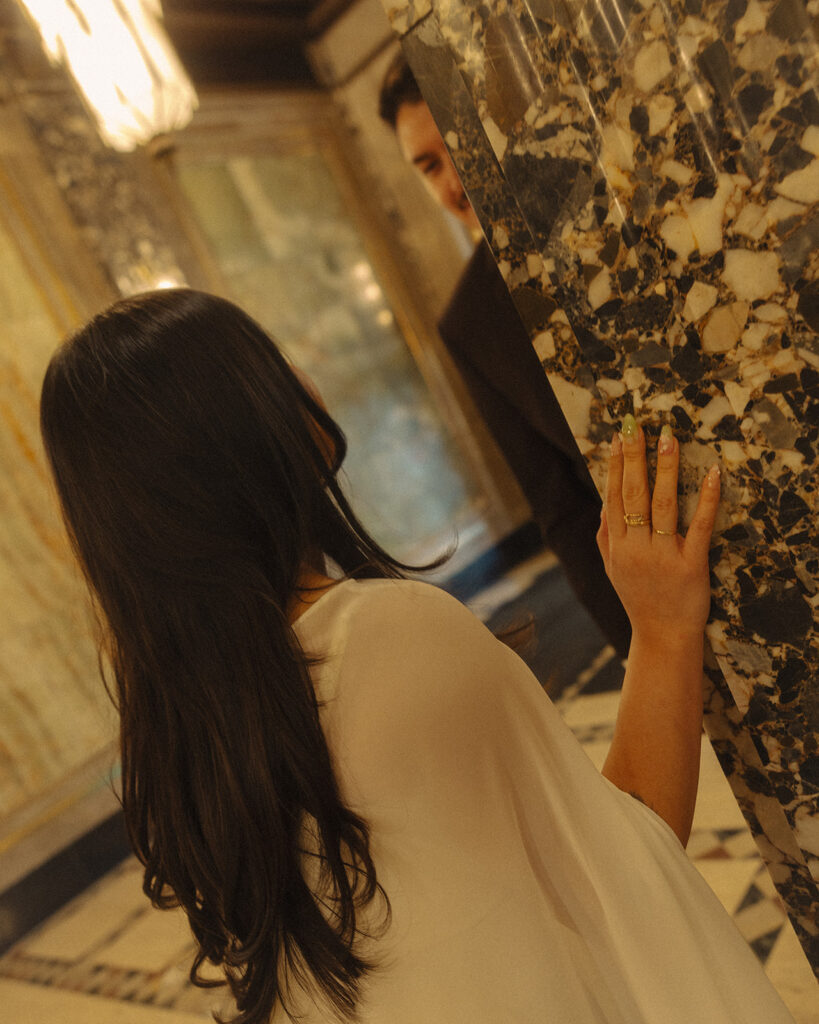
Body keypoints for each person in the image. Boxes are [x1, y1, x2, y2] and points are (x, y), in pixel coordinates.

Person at [39, 289, 795, 1024]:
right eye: (269, 359)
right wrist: (661, 627)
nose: (303, 371)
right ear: (245, 427)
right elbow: (625, 870)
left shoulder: (176, 730)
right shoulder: (386, 640)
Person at [379, 55, 633, 659]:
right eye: (429, 166)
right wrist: (638, 649)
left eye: (457, 150)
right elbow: (560, 511)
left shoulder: (616, 214)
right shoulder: (468, 321)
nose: (452, 185)